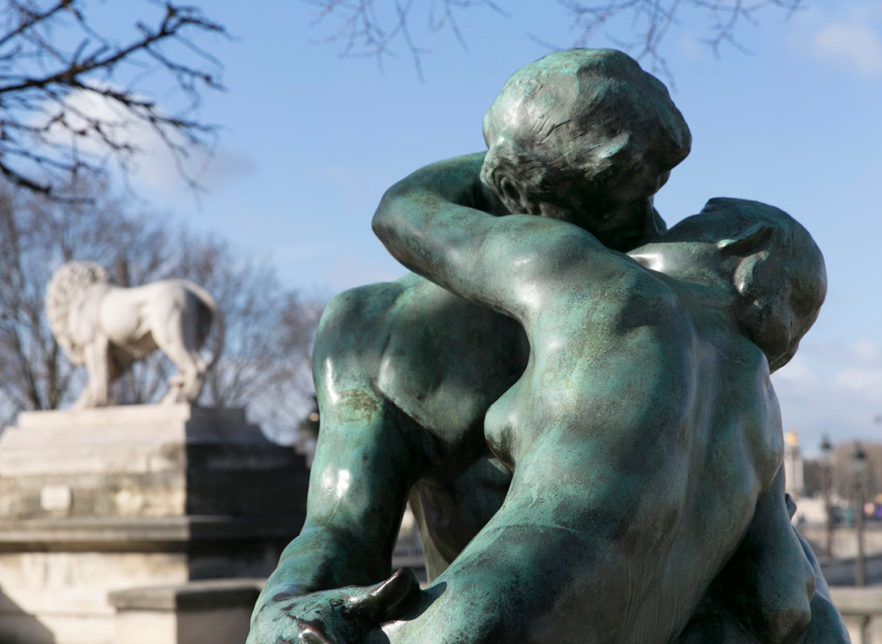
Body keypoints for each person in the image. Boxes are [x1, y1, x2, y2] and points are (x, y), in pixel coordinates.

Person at [247, 48, 692, 643]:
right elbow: (343, 529)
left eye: (653, 190)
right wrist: (288, 605)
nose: (648, 221)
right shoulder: (381, 332)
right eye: (621, 204)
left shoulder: (686, 299)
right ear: (517, 190)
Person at [368, 195, 832, 642]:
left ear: (743, 248)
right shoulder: (759, 399)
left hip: (472, 622)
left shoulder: (602, 280)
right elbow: (782, 604)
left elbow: (401, 216)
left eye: (693, 221)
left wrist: (498, 169)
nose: (660, 226)